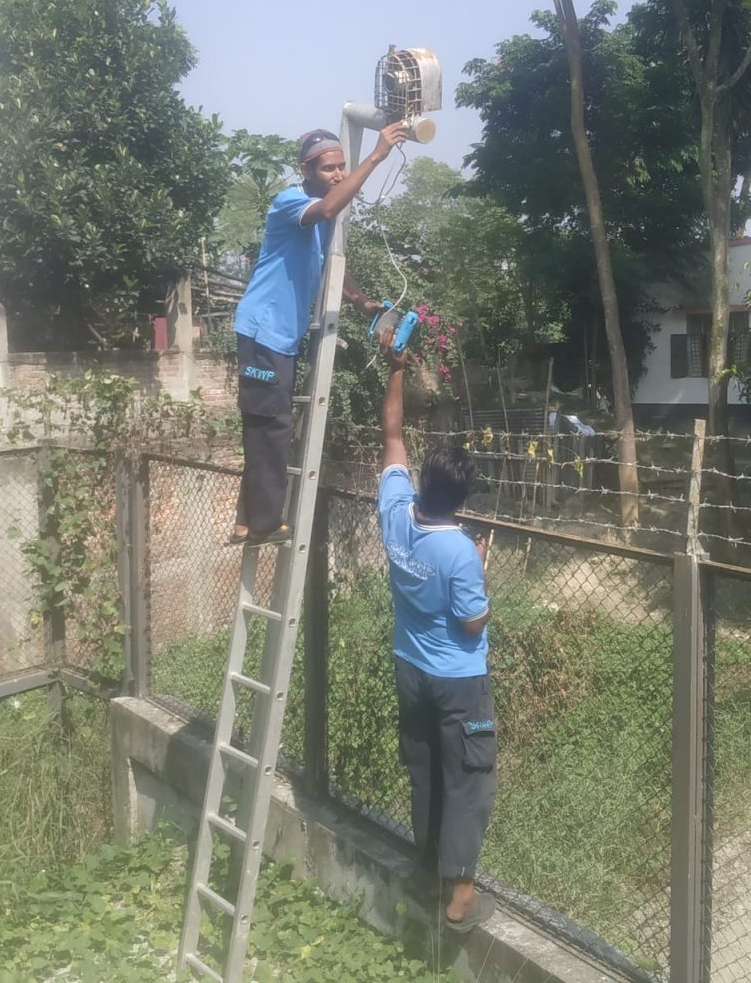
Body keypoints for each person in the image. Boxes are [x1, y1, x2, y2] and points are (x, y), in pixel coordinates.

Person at [231, 121, 408, 545]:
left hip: (281, 337)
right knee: (271, 426)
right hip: (262, 331)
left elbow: (332, 269)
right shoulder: (290, 202)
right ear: (306, 171)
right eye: (329, 168)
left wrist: (362, 301)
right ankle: (262, 525)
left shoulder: (320, 219)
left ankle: (245, 521)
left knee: (265, 425)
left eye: (342, 167)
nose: (338, 175)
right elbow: (328, 209)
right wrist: (377, 155)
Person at [377, 329, 498, 933]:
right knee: (468, 779)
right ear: (463, 498)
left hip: (411, 667)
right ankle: (462, 894)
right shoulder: (460, 553)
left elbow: (392, 433)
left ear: (423, 484)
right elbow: (471, 619)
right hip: (459, 682)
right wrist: (482, 569)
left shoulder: (396, 513)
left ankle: (426, 868)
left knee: (425, 772)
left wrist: (395, 366)